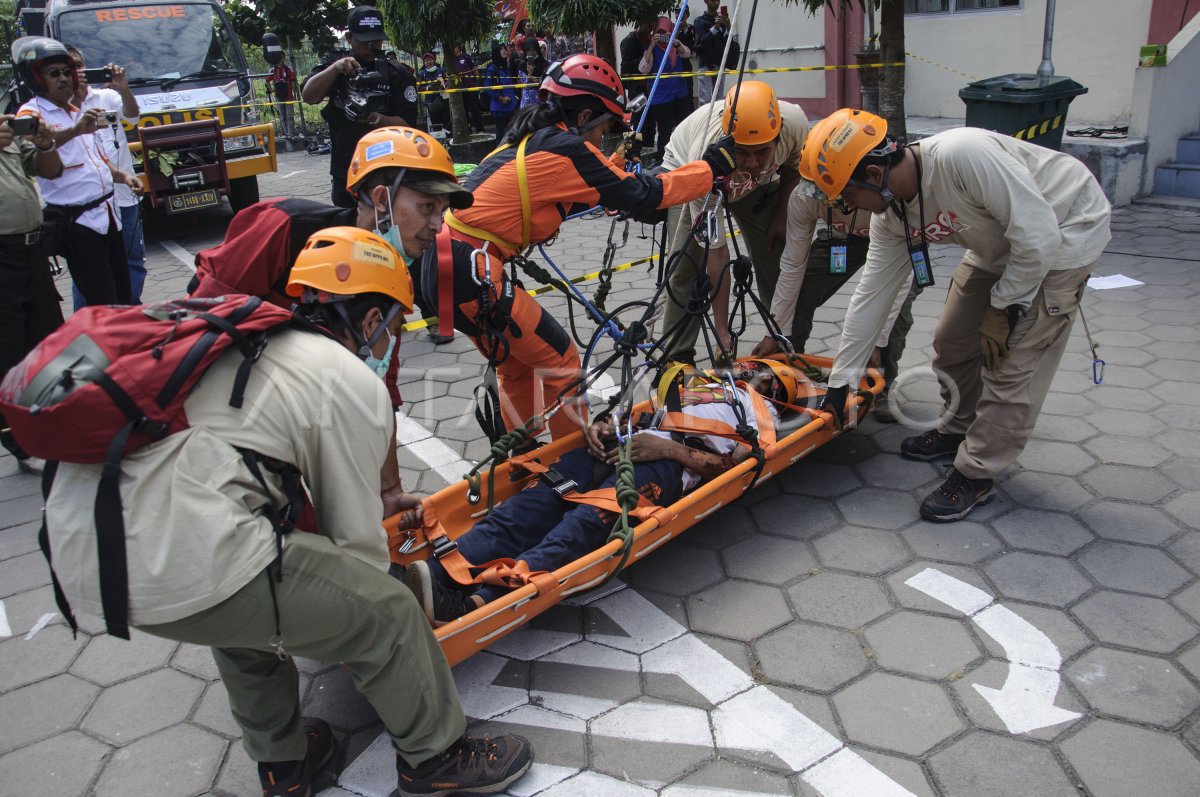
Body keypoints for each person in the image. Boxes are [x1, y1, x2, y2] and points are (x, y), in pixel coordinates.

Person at [43, 226, 533, 797]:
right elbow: (357, 548)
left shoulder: (248, 333)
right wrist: (405, 592)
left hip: (84, 556)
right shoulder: (347, 376)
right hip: (179, 558)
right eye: (396, 327)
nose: (392, 342)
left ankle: (286, 767)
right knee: (386, 613)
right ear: (371, 321)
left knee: (243, 621)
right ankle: (436, 759)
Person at [806, 108, 1112, 522]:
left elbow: (1038, 237)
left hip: (1064, 232)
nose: (846, 207)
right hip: (1001, 241)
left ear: (874, 175)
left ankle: (977, 473)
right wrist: (841, 383)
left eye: (847, 195)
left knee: (1010, 366)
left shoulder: (963, 155)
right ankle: (957, 427)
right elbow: (871, 296)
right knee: (952, 342)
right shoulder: (893, 215)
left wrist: (1004, 307)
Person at [433, 54, 739, 440]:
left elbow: (574, 191)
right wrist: (710, 168)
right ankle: (572, 460)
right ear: (583, 118)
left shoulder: (530, 138)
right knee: (560, 359)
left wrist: (612, 166)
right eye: (605, 126)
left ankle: (523, 459)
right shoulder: (565, 148)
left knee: (516, 364)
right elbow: (646, 193)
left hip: (444, 264)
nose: (602, 136)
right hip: (471, 268)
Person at [191, 126, 473, 521]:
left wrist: (389, 489)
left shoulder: (392, 278)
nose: (438, 226)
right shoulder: (285, 230)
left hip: (297, 421)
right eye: (428, 207)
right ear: (381, 199)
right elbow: (198, 323)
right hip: (219, 420)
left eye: (442, 212)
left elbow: (380, 390)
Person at [404, 357, 801, 623]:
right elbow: (640, 411)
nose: (745, 370)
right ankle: (436, 576)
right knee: (536, 502)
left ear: (769, 386)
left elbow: (735, 470)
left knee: (579, 528)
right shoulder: (700, 384)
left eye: (756, 372)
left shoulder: (757, 412)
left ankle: (474, 606)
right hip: (624, 442)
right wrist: (602, 426)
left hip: (666, 465)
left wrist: (668, 449)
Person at [659, 81, 808, 363]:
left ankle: (781, 340)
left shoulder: (795, 123)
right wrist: (722, 331)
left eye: (762, 152)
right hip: (690, 174)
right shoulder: (705, 152)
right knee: (687, 267)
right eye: (743, 152)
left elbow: (794, 168)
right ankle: (676, 359)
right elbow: (717, 254)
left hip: (758, 186)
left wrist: (779, 216)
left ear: (777, 136)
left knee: (777, 253)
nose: (752, 162)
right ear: (728, 143)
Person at [749, 178, 921, 423]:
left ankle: (879, 384)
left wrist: (876, 340)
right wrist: (774, 330)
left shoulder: (895, 193)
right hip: (841, 239)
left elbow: (900, 282)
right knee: (799, 297)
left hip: (896, 242)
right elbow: (792, 265)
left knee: (894, 316)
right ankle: (789, 371)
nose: (841, 202)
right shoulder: (804, 196)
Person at [13, 36, 140, 308]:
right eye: (54, 73)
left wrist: (123, 176)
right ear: (36, 79)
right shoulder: (31, 115)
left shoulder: (76, 112)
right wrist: (75, 130)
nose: (64, 78)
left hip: (110, 215)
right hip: (80, 225)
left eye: (67, 72)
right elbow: (37, 157)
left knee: (124, 296)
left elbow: (97, 160)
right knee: (102, 303)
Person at [300, 5, 419, 208]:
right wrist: (335, 69)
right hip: (345, 169)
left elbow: (408, 126)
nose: (372, 45)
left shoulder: (397, 73)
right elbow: (309, 95)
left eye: (377, 40)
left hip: (386, 170)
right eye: (365, 41)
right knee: (346, 231)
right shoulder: (336, 64)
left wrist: (372, 118)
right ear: (349, 38)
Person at [0, 110, 64, 475]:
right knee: (7, 353)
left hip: (31, 252)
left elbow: (50, 169)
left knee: (49, 340)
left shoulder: (8, 127)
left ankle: (57, 422)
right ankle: (19, 442)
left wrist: (45, 144)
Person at [67, 45, 146, 307]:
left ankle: (130, 316)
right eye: (70, 68)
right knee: (88, 271)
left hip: (123, 197)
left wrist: (123, 87)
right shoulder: (58, 109)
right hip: (86, 206)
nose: (77, 72)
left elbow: (133, 118)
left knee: (132, 261)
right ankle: (87, 326)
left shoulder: (107, 96)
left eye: (79, 65)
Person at [638, 17, 694, 163]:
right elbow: (643, 69)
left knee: (684, 127)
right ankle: (664, 160)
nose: (663, 36)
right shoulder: (652, 48)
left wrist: (675, 42)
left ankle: (685, 156)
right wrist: (651, 45)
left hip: (679, 93)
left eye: (665, 32)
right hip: (661, 96)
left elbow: (687, 53)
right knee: (665, 130)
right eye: (660, 32)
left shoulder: (675, 46)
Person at [693, 0, 735, 103]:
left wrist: (729, 26)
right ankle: (704, 119)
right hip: (705, 64)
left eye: (718, 0)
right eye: (713, 0)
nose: (716, 3)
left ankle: (716, 119)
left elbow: (729, 42)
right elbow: (703, 42)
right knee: (705, 100)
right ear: (706, 1)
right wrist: (716, 26)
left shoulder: (723, 21)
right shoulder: (700, 21)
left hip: (719, 64)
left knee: (719, 100)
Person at [481, 42, 518, 147]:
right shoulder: (492, 69)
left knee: (510, 134)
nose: (505, 51)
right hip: (499, 108)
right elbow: (487, 88)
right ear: (497, 52)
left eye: (505, 49)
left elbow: (508, 84)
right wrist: (501, 98)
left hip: (510, 106)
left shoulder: (505, 67)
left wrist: (513, 95)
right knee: (501, 135)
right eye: (502, 49)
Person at [452, 45, 485, 134]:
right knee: (464, 112)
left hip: (470, 87)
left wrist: (477, 82)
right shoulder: (450, 60)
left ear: (458, 47)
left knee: (475, 110)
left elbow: (474, 69)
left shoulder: (466, 57)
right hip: (459, 90)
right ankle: (468, 131)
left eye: (454, 47)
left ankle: (480, 130)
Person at [416, 52, 451, 133]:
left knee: (447, 121)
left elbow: (448, 82)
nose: (428, 62)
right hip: (431, 102)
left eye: (430, 60)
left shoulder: (441, 70)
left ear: (434, 60)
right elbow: (419, 88)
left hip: (444, 99)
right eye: (426, 61)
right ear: (424, 63)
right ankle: (439, 140)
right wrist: (428, 87)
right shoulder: (422, 74)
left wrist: (443, 86)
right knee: (435, 122)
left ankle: (449, 138)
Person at [266, 58, 297, 140]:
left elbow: (293, 82)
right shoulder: (273, 70)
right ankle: (286, 133)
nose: (281, 60)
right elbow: (267, 80)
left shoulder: (289, 69)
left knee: (290, 115)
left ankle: (291, 133)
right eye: (279, 58)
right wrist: (271, 89)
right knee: (282, 115)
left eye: (282, 58)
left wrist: (295, 93)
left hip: (289, 95)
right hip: (278, 96)